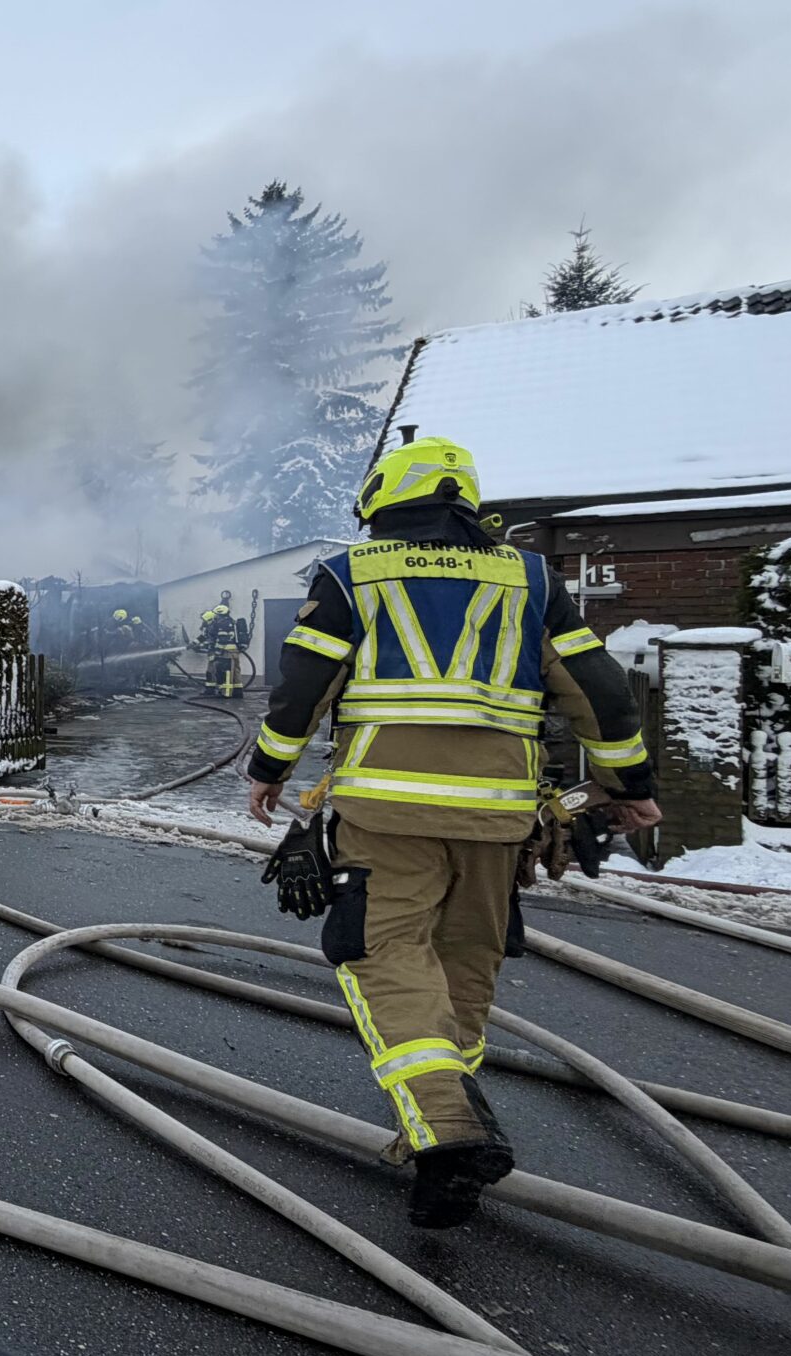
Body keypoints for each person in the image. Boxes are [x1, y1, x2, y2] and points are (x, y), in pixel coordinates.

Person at [246, 435, 660, 1230]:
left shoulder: (351, 574)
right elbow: (598, 692)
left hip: (386, 815)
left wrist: (270, 769)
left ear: (381, 499)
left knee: (384, 957)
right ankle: (438, 1144)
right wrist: (628, 787)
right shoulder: (532, 578)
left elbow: (303, 684)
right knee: (463, 966)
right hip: (500, 821)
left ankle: (444, 1121)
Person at [197, 591, 244, 699]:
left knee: (226, 671)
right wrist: (194, 644)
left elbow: (221, 639)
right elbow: (206, 636)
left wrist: (216, 651)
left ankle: (226, 693)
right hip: (233, 650)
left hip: (226, 651)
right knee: (235, 670)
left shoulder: (221, 624)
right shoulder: (229, 622)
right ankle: (238, 692)